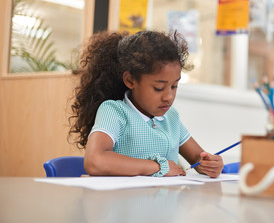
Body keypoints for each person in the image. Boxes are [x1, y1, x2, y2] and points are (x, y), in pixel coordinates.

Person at [68, 30, 223, 177]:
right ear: (130, 80)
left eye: (174, 86)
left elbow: (197, 158)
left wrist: (209, 165)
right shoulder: (115, 112)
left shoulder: (171, 117)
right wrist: (158, 166)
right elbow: (95, 161)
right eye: (159, 88)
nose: (168, 97)